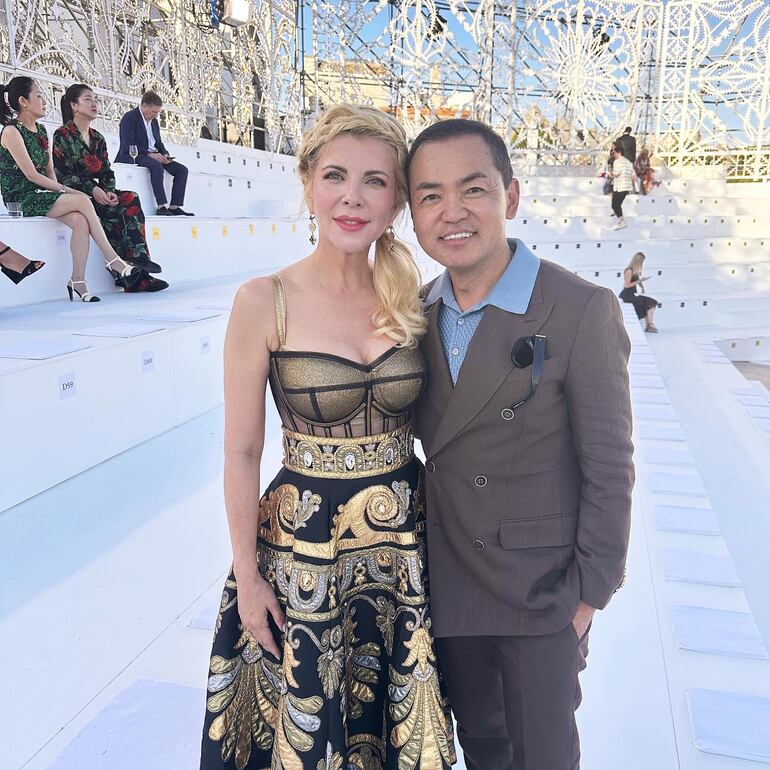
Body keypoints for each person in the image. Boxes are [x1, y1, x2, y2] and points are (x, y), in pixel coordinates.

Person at [198, 104, 455, 769]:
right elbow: (241, 451)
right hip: (304, 554)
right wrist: (248, 576)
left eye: (375, 180)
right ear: (308, 182)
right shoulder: (265, 299)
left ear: (397, 198)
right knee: (313, 733)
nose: (352, 196)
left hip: (407, 552)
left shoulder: (418, 300)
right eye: (336, 175)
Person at [407, 118, 634, 770]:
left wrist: (588, 595)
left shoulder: (578, 308)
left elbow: (609, 464)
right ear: (415, 215)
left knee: (543, 758)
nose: (453, 212)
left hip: (541, 596)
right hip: (452, 587)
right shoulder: (416, 311)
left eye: (472, 189)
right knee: (482, 750)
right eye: (430, 196)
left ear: (510, 196)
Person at [0, 76, 141, 302]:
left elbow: (49, 171)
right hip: (21, 196)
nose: (44, 101)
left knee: (80, 221)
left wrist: (61, 191)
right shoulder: (11, 131)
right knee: (83, 200)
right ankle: (113, 259)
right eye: (39, 96)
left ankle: (77, 280)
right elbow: (31, 175)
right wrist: (68, 191)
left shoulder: (42, 131)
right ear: (23, 101)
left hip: (42, 193)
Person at [53, 84, 168, 293]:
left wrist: (109, 191)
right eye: (88, 99)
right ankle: (134, 278)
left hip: (98, 195)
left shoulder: (98, 138)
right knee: (111, 216)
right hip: (76, 197)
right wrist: (92, 190)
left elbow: (106, 171)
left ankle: (139, 259)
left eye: (95, 99)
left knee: (128, 198)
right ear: (74, 105)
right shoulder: (62, 135)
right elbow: (62, 176)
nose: (94, 103)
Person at [116, 91, 193, 216]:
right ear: (143, 105)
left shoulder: (154, 122)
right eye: (153, 112)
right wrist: (150, 154)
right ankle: (161, 206)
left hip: (154, 155)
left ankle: (174, 206)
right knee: (156, 166)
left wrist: (165, 154)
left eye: (157, 112)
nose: (155, 115)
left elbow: (159, 143)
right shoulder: (129, 118)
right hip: (133, 155)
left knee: (182, 170)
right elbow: (128, 144)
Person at [620, 251, 658, 332]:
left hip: (632, 294)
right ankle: (649, 325)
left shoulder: (634, 271)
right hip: (627, 295)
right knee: (650, 302)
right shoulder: (629, 270)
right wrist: (640, 280)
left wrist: (642, 286)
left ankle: (649, 325)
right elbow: (627, 285)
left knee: (651, 303)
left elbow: (637, 280)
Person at [610, 144, 634, 230]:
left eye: (614, 153)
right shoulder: (628, 162)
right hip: (627, 186)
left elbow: (616, 174)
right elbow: (633, 174)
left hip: (620, 185)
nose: (613, 155)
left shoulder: (617, 162)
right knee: (617, 202)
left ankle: (622, 221)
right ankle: (616, 212)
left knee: (615, 205)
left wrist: (610, 174)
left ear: (618, 152)